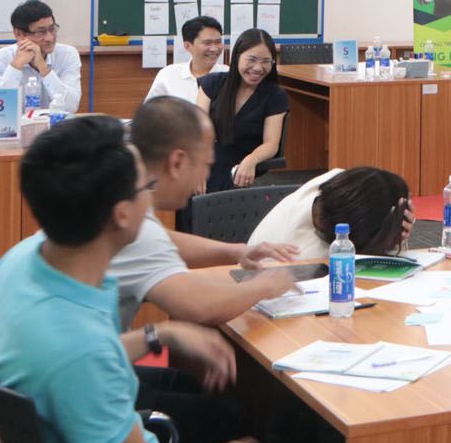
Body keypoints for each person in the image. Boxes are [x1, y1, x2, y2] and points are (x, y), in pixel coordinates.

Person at [0, 117, 344, 443]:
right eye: (144, 188)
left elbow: (73, 364)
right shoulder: (77, 342)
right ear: (122, 215)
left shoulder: (24, 264)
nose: (151, 199)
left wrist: (156, 335)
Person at [112, 97, 303, 443]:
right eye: (205, 165)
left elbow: (161, 239)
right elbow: (200, 307)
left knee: (199, 389)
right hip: (84, 401)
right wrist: (265, 285)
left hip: (81, 374)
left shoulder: (121, 192)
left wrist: (235, 251)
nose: (205, 177)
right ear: (177, 162)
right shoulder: (133, 217)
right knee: (230, 416)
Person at [247, 167, 414, 262]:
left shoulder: (337, 181)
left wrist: (396, 234)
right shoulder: (307, 257)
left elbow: (367, 190)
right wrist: (390, 239)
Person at [197, 30, 288, 193]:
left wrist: (251, 160)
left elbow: (271, 143)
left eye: (266, 61)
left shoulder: (275, 95)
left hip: (242, 164)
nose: (258, 68)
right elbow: (198, 132)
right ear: (237, 56)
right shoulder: (212, 83)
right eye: (251, 59)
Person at [0, 0, 82, 111]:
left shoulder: (67, 54)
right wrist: (16, 66)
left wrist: (43, 68)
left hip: (56, 122)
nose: (50, 38)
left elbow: (70, 107)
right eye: (41, 32)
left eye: (52, 29)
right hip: (17, 122)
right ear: (19, 34)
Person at [145, 15, 229, 103]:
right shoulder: (168, 75)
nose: (214, 49)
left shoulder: (229, 75)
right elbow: (149, 109)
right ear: (187, 46)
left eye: (218, 42)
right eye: (207, 43)